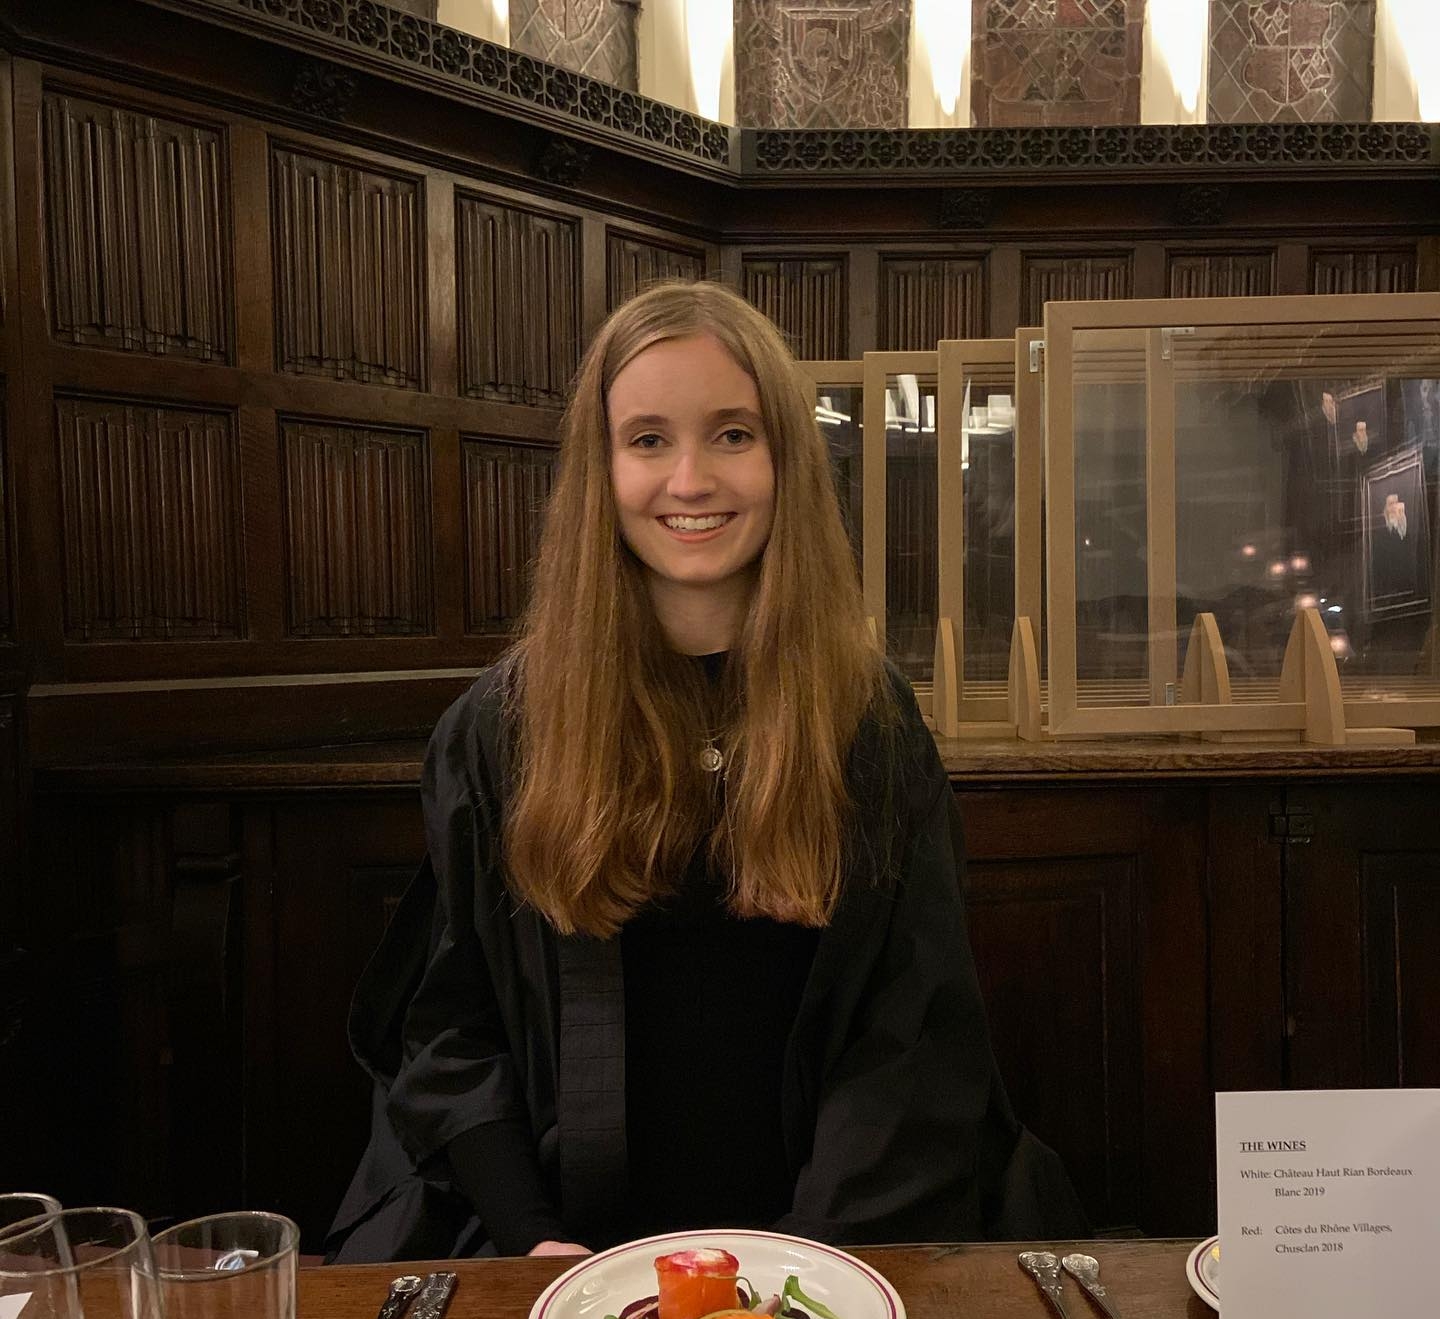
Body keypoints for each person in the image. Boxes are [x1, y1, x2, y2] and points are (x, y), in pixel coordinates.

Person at [326, 281, 1085, 1262]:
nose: (690, 480)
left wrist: (814, 1263)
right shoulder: (500, 730)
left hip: (838, 1237)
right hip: (562, 1248)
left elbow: (914, 1033)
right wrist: (534, 1241)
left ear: (788, 460)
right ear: (601, 469)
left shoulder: (865, 718)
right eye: (647, 440)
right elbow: (449, 1029)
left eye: (733, 435)